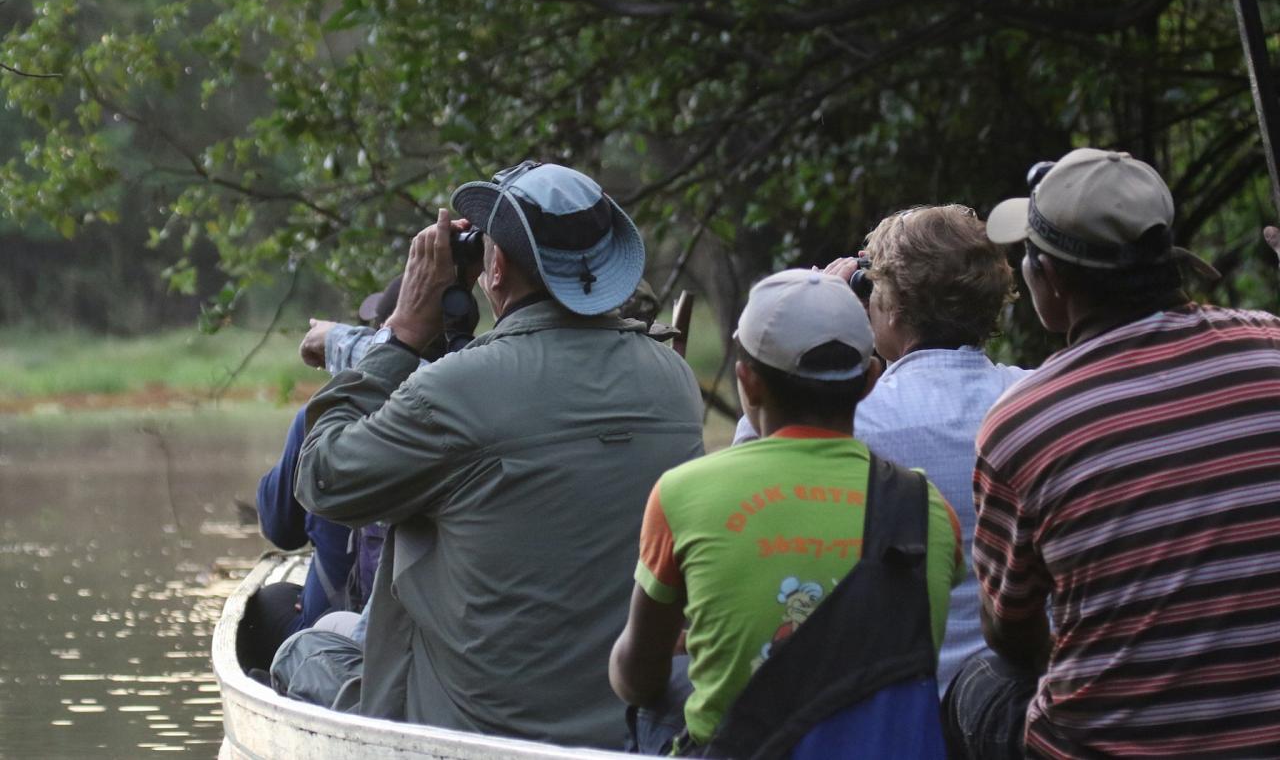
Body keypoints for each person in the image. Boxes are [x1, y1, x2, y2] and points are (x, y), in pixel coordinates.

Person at [285, 161, 706, 747]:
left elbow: (322, 479)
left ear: (497, 266)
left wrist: (403, 331)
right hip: (630, 730)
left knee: (307, 649)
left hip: (474, 737)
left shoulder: (455, 390)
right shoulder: (673, 381)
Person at [949, 148, 1280, 758]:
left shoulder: (1024, 422)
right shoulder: (1270, 346)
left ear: (1047, 278)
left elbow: (1010, 634)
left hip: (1109, 746)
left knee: (977, 686)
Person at [610, 268, 964, 755]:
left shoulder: (682, 494)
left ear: (747, 382)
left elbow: (636, 676)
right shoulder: (929, 511)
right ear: (870, 381)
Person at [734, 205, 1028, 692]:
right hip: (1016, 698)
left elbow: (745, 471)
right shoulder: (1035, 398)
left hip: (896, 703)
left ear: (890, 306)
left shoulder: (852, 417)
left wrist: (813, 314)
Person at [240, 278, 402, 673]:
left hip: (348, 631)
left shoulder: (324, 415)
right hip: (426, 630)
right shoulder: (465, 407)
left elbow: (279, 528)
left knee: (269, 602)